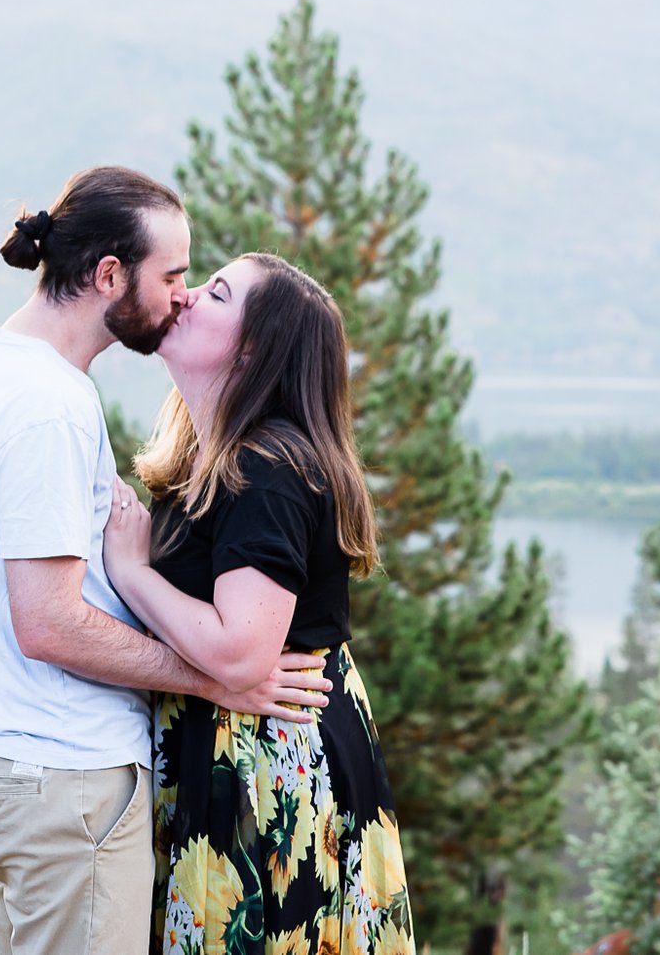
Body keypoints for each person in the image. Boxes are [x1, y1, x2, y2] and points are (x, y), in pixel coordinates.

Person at [0, 166, 333, 955]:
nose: (182, 295)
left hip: (37, 776)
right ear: (109, 274)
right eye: (175, 276)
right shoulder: (46, 405)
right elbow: (48, 623)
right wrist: (211, 678)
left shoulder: (13, 377)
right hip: (63, 776)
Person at [101, 251, 414, 955]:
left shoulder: (266, 467)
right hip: (237, 752)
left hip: (269, 767)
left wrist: (132, 571)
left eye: (215, 293)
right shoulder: (204, 463)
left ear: (251, 351)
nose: (183, 299)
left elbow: (241, 652)